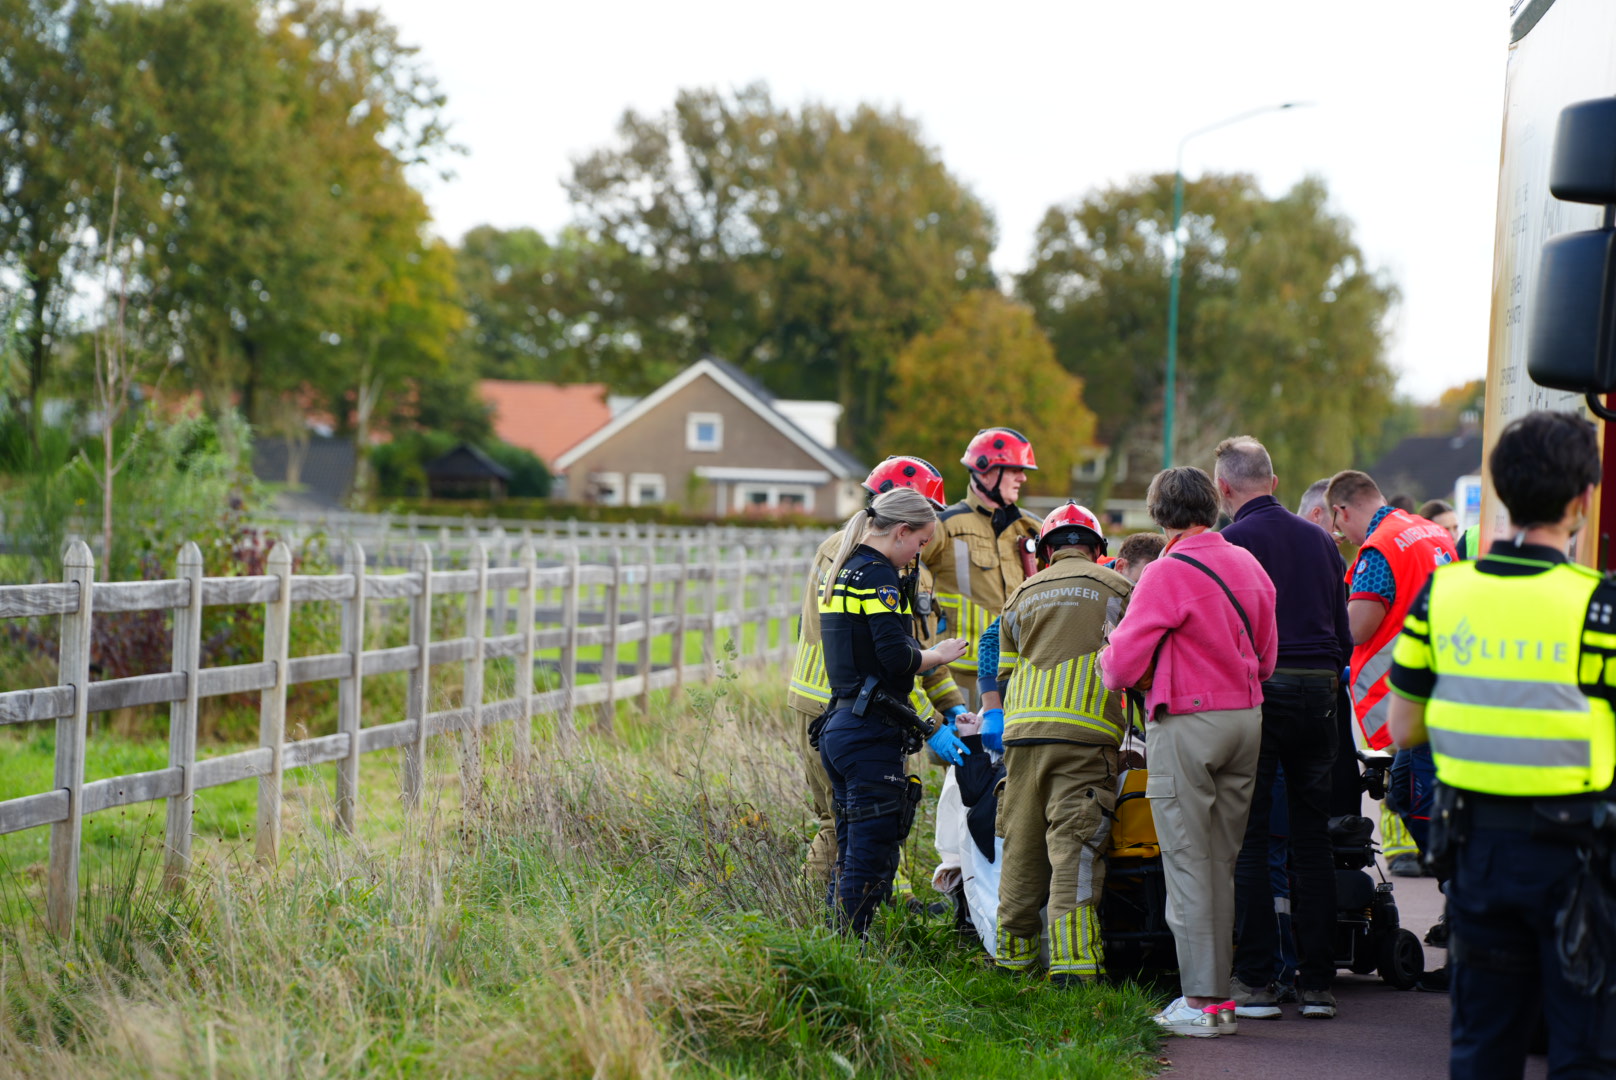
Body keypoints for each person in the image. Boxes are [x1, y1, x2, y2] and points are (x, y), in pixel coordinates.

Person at [1387, 409, 1616, 1079]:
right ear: (1581, 501)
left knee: (1484, 1046)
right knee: (1585, 1051)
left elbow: (1404, 728)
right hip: (1579, 858)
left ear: (1502, 498)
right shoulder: (1600, 607)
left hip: (1476, 852)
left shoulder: (1444, 593)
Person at [1100, 466, 1279, 1038]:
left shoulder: (1165, 572)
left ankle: (1202, 1001)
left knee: (1185, 863)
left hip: (1188, 721)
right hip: (1246, 718)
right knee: (1221, 863)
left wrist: (1108, 654)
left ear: (1158, 515)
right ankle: (1220, 998)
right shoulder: (1248, 564)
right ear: (1213, 504)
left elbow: (1123, 667)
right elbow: (1268, 657)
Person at [1215, 437, 1352, 1021]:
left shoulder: (1229, 542)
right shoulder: (1322, 540)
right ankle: (1319, 984)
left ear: (1223, 490)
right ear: (1273, 481)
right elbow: (1345, 633)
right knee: (1312, 837)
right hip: (1321, 690)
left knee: (1250, 838)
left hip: (1263, 691)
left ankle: (1256, 981)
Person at [788, 457, 969, 885]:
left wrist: (955, 709)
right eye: (923, 528)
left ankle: (881, 908)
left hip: (859, 706)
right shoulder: (868, 563)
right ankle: (816, 924)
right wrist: (928, 722)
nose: (928, 537)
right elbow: (894, 661)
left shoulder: (888, 563)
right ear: (901, 521)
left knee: (877, 815)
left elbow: (918, 651)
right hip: (845, 706)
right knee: (848, 820)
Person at [975, 503, 1133, 985]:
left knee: (1021, 850)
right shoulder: (1119, 588)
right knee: (1074, 849)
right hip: (1084, 739)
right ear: (1097, 550)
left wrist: (995, 714)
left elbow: (999, 665)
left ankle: (1012, 962)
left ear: (1046, 551)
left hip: (1021, 739)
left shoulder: (1020, 593)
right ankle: (1073, 969)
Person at [1328, 470, 1457, 877]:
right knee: (1417, 793)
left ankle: (1457, 895)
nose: (1344, 537)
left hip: (1412, 697)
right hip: (1450, 684)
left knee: (1410, 795)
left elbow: (1356, 629)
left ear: (1341, 511)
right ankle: (1454, 899)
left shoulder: (1380, 548)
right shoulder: (1431, 531)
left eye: (1338, 526)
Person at [922, 427, 1043, 709]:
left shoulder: (1031, 527)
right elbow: (904, 573)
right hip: (962, 675)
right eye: (1014, 469)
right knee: (965, 751)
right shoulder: (944, 526)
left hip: (1021, 671)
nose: (1023, 477)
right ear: (986, 470)